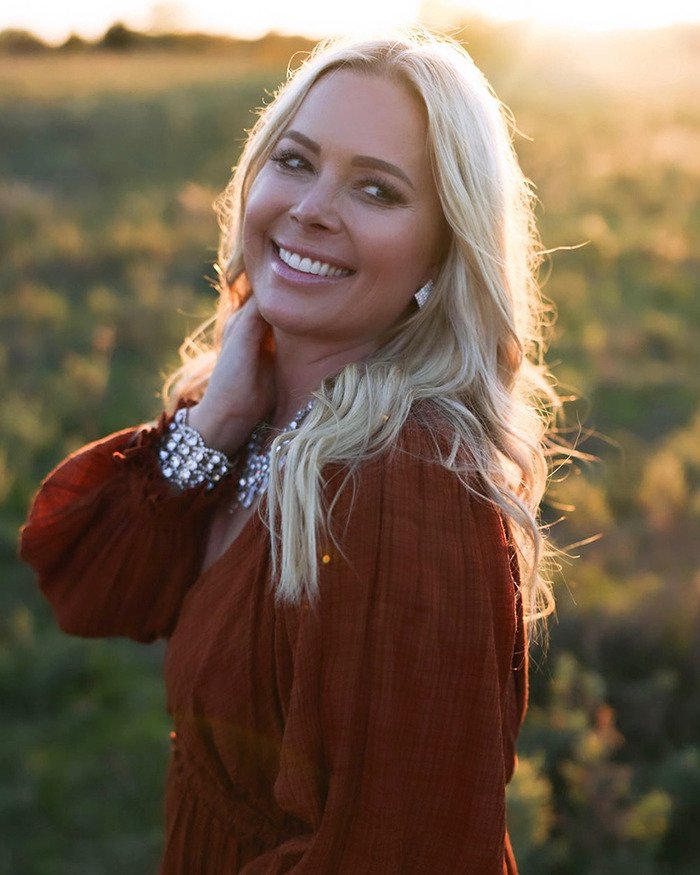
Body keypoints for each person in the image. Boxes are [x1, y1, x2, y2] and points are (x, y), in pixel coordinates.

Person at [20, 30, 560, 874]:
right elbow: (92, 586)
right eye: (297, 161)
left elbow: (399, 853)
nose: (311, 209)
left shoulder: (404, 484)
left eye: (377, 189)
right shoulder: (264, 420)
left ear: (444, 250)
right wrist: (217, 423)